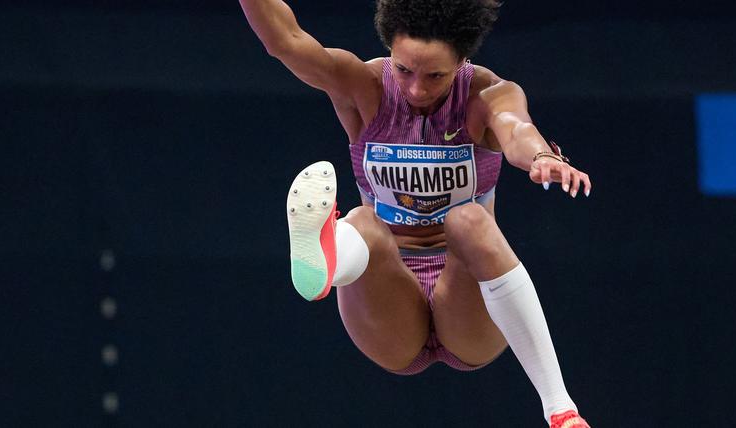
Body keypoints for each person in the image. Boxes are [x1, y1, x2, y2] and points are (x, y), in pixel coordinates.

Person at [240, 1, 593, 426]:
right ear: (389, 51)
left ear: (463, 60)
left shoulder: (488, 93)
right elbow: (286, 41)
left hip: (470, 306)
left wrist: (538, 156)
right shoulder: (364, 85)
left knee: (469, 219)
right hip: (388, 301)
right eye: (404, 70)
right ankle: (327, 261)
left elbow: (516, 128)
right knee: (364, 221)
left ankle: (560, 410)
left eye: (435, 76)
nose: (416, 90)